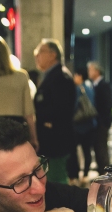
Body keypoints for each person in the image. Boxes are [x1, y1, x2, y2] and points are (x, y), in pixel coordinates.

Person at [33, 38, 76, 183]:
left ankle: (62, 205)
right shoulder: (51, 76)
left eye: (40, 52)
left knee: (56, 179)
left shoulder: (61, 77)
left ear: (53, 55)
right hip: (51, 138)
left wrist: (42, 119)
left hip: (56, 139)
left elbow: (60, 110)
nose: (36, 56)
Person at [67, 68, 96, 186]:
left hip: (77, 125)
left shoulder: (77, 89)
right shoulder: (90, 88)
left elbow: (73, 107)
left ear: (79, 76)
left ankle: (73, 176)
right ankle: (85, 175)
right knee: (87, 150)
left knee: (73, 152)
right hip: (90, 124)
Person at [87, 61, 112, 174]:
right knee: (98, 149)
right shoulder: (95, 85)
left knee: (101, 149)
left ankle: (105, 175)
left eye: (90, 70)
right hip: (98, 123)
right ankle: (102, 173)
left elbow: (108, 104)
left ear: (97, 71)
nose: (89, 72)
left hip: (101, 123)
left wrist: (104, 122)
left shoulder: (103, 84)